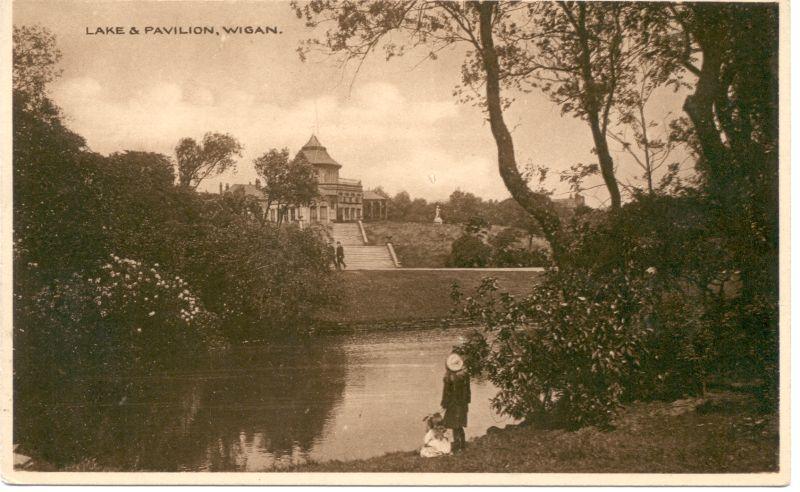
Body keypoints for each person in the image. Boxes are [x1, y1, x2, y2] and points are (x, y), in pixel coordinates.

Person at [441, 353, 470, 452]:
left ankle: (458, 447)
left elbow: (446, 393)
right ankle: (462, 446)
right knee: (459, 425)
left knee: (455, 426)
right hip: (462, 405)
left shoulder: (450, 378)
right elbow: (468, 393)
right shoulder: (465, 375)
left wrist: (444, 404)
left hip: (454, 405)